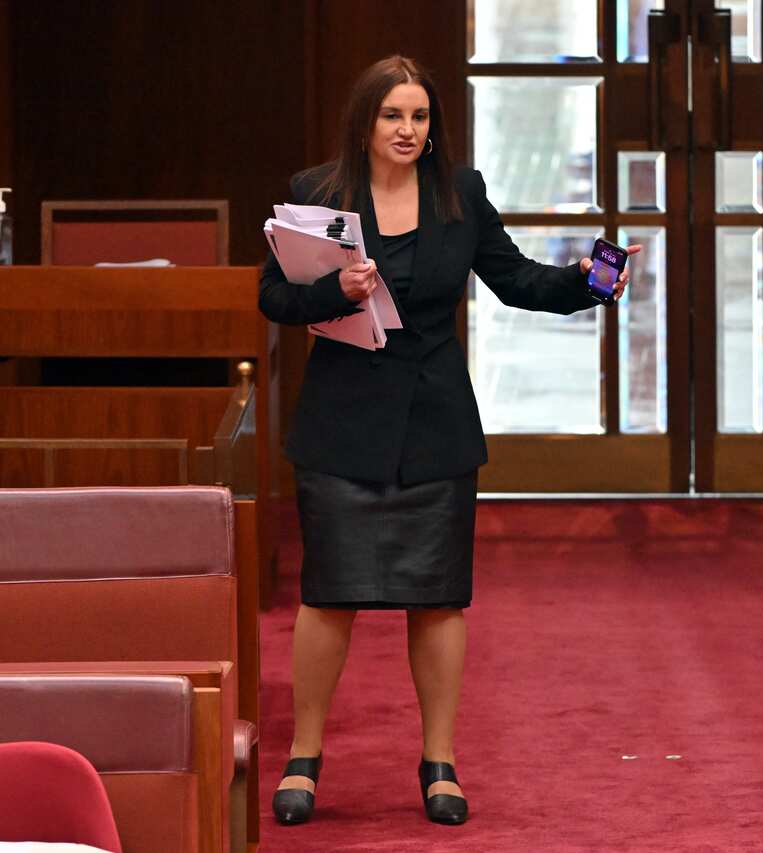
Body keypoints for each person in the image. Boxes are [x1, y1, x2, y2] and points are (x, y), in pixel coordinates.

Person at [259, 54, 639, 827]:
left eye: (420, 116)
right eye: (392, 115)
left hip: (434, 422)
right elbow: (273, 296)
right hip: (341, 423)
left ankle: (439, 762)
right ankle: (303, 757)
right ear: (365, 123)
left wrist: (588, 280)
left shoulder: (460, 193)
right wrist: (335, 291)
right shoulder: (317, 193)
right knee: (328, 594)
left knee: (437, 598)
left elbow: (516, 279)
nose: (407, 129)